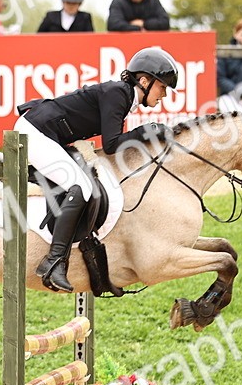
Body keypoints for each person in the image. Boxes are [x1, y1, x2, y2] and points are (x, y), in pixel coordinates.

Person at [14, 48, 180, 292]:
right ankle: (54, 261)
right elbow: (112, 145)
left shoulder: (122, 95)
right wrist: (147, 130)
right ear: (144, 81)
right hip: (36, 131)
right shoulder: (118, 93)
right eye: (162, 87)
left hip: (50, 133)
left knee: (88, 181)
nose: (163, 94)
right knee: (80, 186)